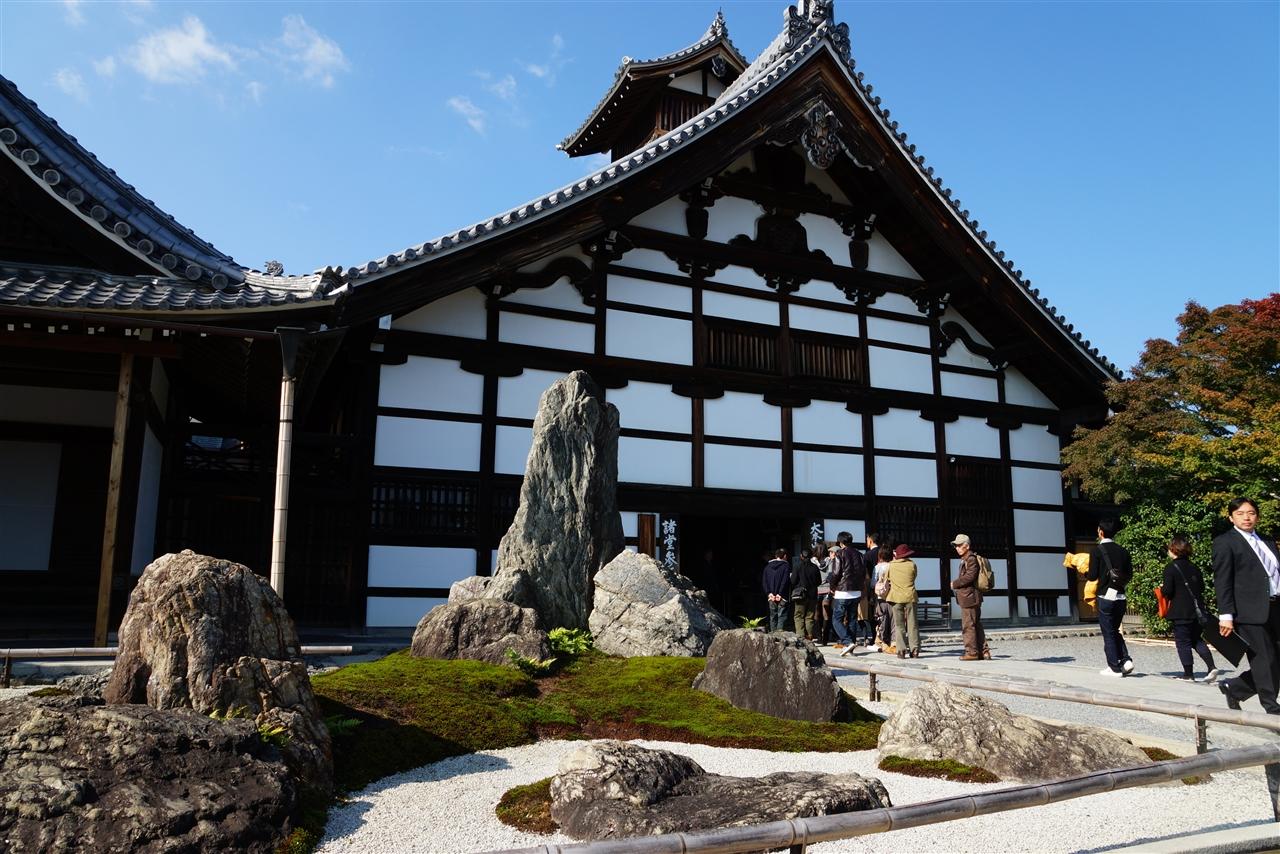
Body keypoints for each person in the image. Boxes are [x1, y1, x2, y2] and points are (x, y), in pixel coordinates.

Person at [1215, 498, 1280, 713]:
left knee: (1274, 660)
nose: (1246, 517)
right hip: (1249, 611)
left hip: (1276, 607)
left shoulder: (1267, 541)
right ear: (1231, 517)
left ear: (1257, 516)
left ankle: (1235, 688)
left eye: (1251, 513)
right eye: (1240, 513)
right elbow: (1223, 580)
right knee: (1264, 659)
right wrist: (1226, 615)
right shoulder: (1225, 542)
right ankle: (1272, 709)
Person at [1160, 535, 1218, 682]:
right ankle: (1211, 666)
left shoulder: (1170, 568)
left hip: (1180, 611)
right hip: (1197, 611)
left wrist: (1162, 588)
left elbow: (1167, 591)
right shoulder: (1194, 567)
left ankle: (1188, 674)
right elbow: (1201, 588)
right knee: (1196, 639)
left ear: (1174, 550)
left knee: (1183, 642)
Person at [1089, 517, 1136, 677]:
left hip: (1105, 596)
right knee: (1114, 630)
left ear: (1100, 532)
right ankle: (1125, 660)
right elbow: (1129, 574)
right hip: (1121, 595)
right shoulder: (1123, 551)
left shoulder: (1097, 551)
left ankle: (1114, 668)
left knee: (1108, 632)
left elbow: (1092, 576)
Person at [828, 531, 866, 654]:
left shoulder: (840, 553)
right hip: (856, 591)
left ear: (840, 542)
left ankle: (847, 641)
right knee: (852, 619)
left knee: (836, 619)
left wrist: (832, 586)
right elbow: (863, 573)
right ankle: (850, 646)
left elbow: (836, 573)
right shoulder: (860, 554)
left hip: (842, 591)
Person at [950, 534, 986, 661]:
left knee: (968, 626)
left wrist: (955, 583)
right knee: (976, 625)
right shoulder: (966, 558)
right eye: (956, 546)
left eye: (959, 545)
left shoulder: (970, 559)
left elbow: (970, 576)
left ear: (967, 546)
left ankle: (971, 652)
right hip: (971, 597)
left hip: (969, 597)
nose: (957, 548)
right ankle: (984, 651)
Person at [886, 543, 920, 658]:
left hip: (896, 597)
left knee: (899, 625)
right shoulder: (912, 565)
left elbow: (887, 578)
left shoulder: (891, 565)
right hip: (910, 596)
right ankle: (914, 650)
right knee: (913, 624)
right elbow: (914, 577)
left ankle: (901, 651)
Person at [790, 547, 821, 641]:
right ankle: (810, 636)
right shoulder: (815, 567)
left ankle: (800, 636)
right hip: (812, 595)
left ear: (801, 556)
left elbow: (793, 581)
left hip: (800, 595)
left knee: (799, 616)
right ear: (811, 556)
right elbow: (819, 581)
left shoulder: (797, 566)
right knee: (809, 617)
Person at [762, 549, 792, 633]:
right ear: (785, 556)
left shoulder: (767, 567)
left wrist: (769, 593)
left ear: (776, 556)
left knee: (772, 616)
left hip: (771, 596)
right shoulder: (786, 566)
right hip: (782, 596)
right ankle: (780, 636)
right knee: (782, 616)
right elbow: (785, 580)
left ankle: (772, 636)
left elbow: (764, 582)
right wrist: (780, 593)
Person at [872, 544, 895, 653]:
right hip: (892, 596)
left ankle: (882, 641)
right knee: (892, 620)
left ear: (880, 555)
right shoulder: (893, 566)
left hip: (881, 597)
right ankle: (893, 642)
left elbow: (873, 583)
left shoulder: (877, 567)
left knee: (882, 620)